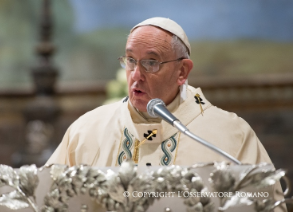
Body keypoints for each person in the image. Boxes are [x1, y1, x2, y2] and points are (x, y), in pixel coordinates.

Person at [47, 17, 273, 167]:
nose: (136, 75)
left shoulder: (231, 135)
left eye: (151, 63)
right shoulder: (86, 131)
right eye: (131, 61)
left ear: (182, 71)